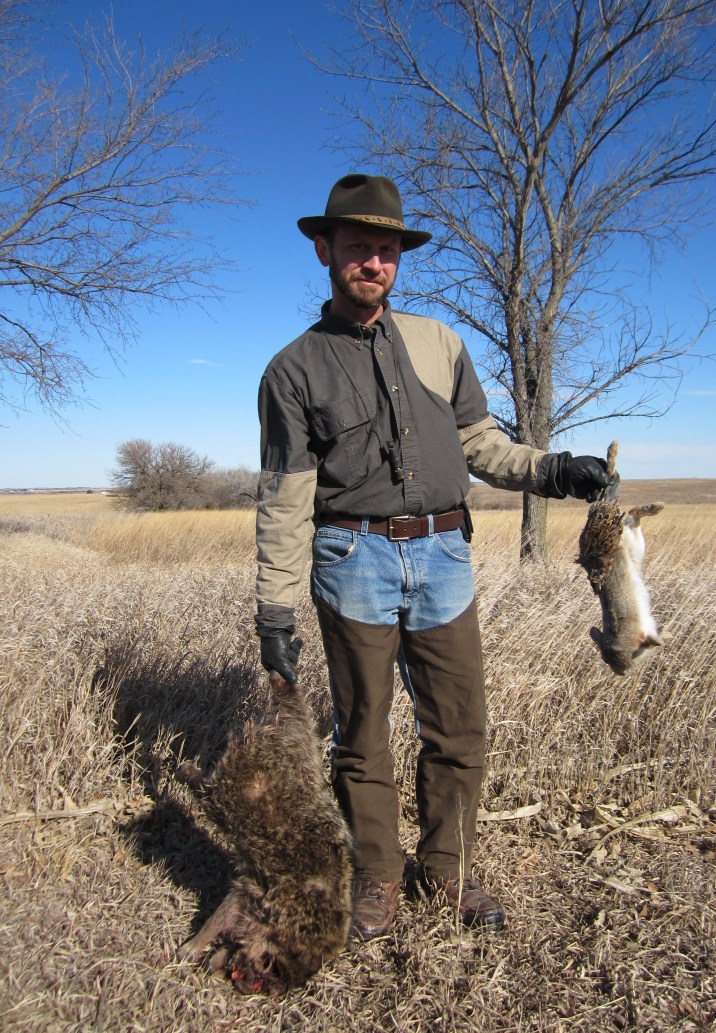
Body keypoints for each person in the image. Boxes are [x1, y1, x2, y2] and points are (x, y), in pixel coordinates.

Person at [255, 173, 612, 941]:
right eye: (357, 248)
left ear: (397, 257)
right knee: (363, 730)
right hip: (350, 558)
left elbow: (481, 444)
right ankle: (377, 879)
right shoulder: (292, 369)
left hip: (445, 553)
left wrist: (554, 469)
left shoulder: (440, 342)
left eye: (385, 250)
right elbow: (285, 495)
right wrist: (274, 606)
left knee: (458, 726)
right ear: (325, 250)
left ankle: (444, 873)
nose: (373, 263)